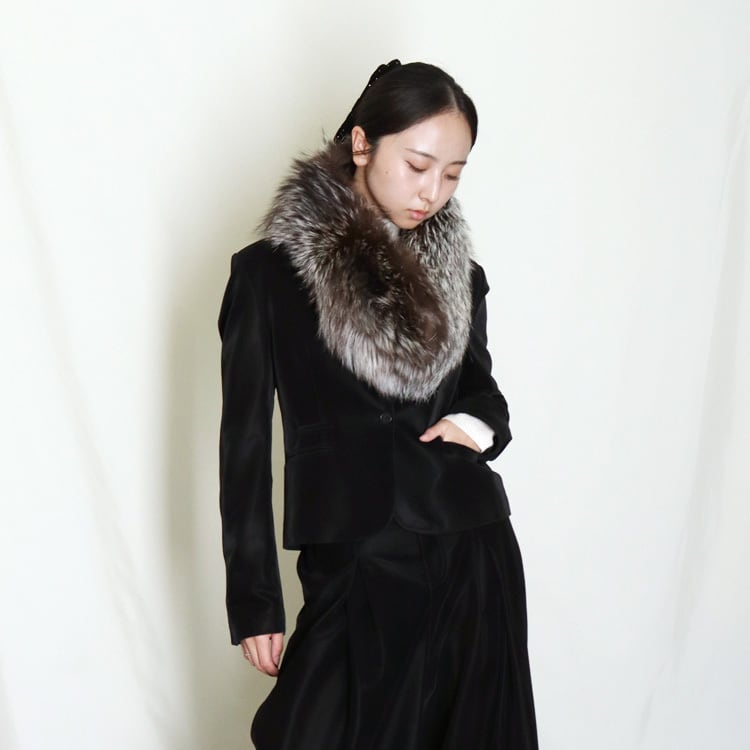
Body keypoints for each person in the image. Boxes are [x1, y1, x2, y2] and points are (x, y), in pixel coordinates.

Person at [218, 60, 538, 749]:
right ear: (362, 143)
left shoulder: (461, 277)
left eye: (452, 175)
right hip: (353, 554)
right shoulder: (268, 275)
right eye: (418, 165)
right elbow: (243, 447)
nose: (432, 191)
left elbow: (482, 390)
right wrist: (254, 600)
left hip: (468, 547)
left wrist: (474, 423)